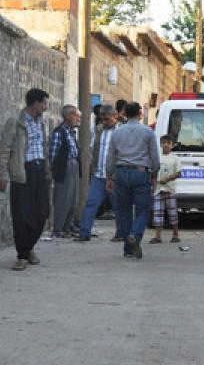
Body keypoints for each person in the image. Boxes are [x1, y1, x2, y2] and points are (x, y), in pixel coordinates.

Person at [0, 88, 51, 271]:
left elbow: (44, 147)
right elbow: (4, 150)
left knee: (42, 213)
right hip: (22, 172)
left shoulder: (40, 122)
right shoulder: (16, 123)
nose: (46, 106)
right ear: (35, 103)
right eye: (44, 102)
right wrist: (2, 175)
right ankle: (23, 254)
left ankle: (28, 248)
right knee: (21, 215)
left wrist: (47, 170)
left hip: (39, 171)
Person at [106, 102, 160, 259]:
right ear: (139, 113)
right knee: (143, 210)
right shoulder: (147, 132)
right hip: (141, 172)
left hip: (121, 172)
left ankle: (128, 249)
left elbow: (110, 157)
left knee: (124, 211)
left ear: (125, 114)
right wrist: (154, 175)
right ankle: (135, 236)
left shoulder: (117, 133)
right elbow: (154, 158)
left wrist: (109, 177)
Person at [74, 105, 124, 242]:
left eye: (107, 119)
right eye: (102, 119)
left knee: (118, 206)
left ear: (115, 116)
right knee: (91, 203)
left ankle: (120, 234)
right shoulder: (98, 130)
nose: (104, 122)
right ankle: (84, 233)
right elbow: (91, 149)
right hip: (99, 175)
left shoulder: (122, 131)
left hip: (115, 177)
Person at [49, 105, 82, 238]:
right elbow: (53, 154)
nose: (78, 119)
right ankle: (59, 228)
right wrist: (54, 171)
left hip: (73, 165)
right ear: (69, 116)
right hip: (65, 167)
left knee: (74, 198)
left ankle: (68, 226)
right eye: (76, 116)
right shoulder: (59, 132)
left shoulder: (71, 132)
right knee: (63, 198)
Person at [149, 135, 182, 244]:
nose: (166, 145)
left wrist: (167, 178)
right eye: (164, 143)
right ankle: (158, 236)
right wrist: (154, 185)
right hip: (158, 190)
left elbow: (178, 173)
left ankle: (175, 235)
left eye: (168, 143)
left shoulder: (175, 159)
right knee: (157, 214)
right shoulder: (157, 158)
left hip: (170, 190)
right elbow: (153, 173)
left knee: (173, 213)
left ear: (172, 145)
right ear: (160, 144)